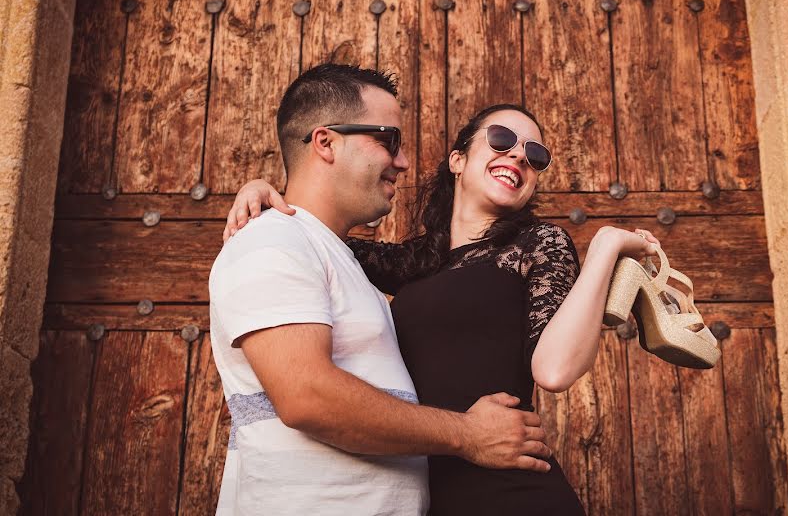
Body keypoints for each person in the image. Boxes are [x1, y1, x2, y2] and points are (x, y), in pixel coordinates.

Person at [227, 83, 670, 515]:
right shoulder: (412, 262)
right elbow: (312, 233)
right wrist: (264, 193)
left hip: (509, 490)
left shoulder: (539, 244)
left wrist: (604, 249)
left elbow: (554, 371)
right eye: (501, 140)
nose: (518, 155)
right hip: (428, 490)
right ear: (458, 160)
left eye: (535, 156)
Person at [208, 64, 555, 516]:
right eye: (388, 140)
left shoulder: (344, 259)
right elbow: (308, 397)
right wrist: (468, 434)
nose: (404, 161)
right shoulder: (273, 239)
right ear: (326, 142)